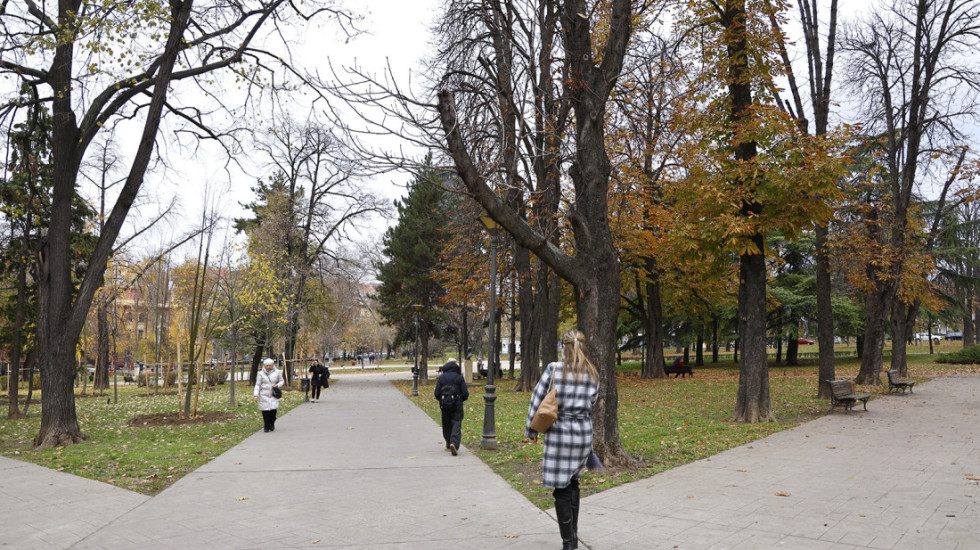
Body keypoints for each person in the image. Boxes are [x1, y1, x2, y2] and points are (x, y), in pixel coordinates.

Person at [525, 329, 599, 550]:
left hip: (560, 435)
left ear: (564, 347)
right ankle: (573, 538)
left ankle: (569, 543)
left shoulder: (554, 369)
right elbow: (592, 402)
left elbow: (537, 399)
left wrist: (532, 430)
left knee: (561, 488)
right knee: (573, 482)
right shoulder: (593, 373)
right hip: (583, 435)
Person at [433, 358, 468, 456]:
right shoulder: (459, 377)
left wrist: (442, 401)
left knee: (446, 424)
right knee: (456, 423)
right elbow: (465, 393)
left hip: (445, 406)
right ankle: (454, 443)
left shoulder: (442, 378)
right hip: (457, 404)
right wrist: (461, 400)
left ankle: (448, 444)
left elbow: (437, 393)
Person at [253, 358, 285, 432]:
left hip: (273, 394)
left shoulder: (277, 372)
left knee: (273, 412)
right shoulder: (260, 373)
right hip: (263, 395)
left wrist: (277, 385)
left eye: (269, 365)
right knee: (265, 412)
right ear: (264, 365)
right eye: (266, 365)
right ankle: (266, 426)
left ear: (272, 365)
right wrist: (256, 395)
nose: (268, 367)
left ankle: (272, 423)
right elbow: (258, 384)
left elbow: (281, 381)